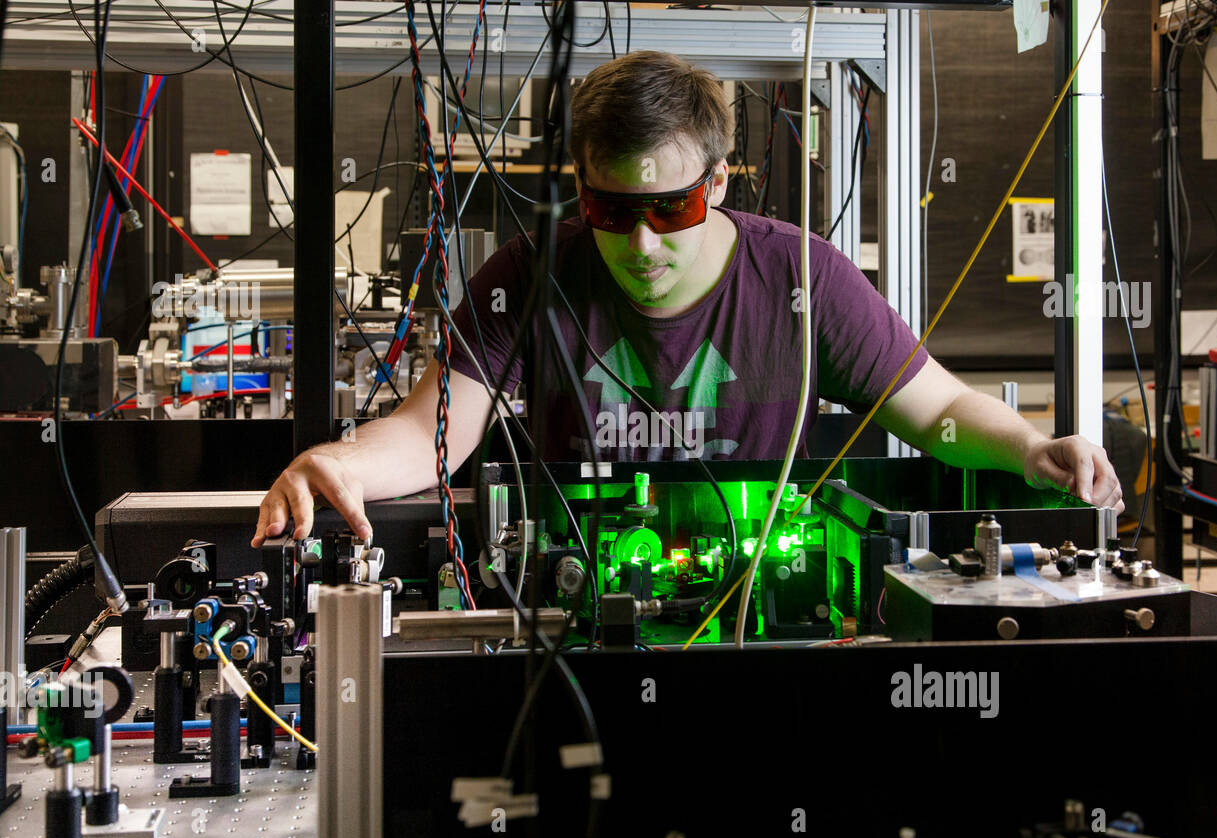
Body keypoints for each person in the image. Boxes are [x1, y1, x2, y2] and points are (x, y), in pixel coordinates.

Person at [252, 51, 1122, 548]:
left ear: (720, 177)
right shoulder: (528, 274)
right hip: (581, 623)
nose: (642, 244)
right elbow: (431, 431)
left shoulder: (801, 279)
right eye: (610, 210)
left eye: (673, 208)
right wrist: (343, 464)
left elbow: (936, 409)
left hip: (754, 605)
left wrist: (1030, 449)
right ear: (580, 185)